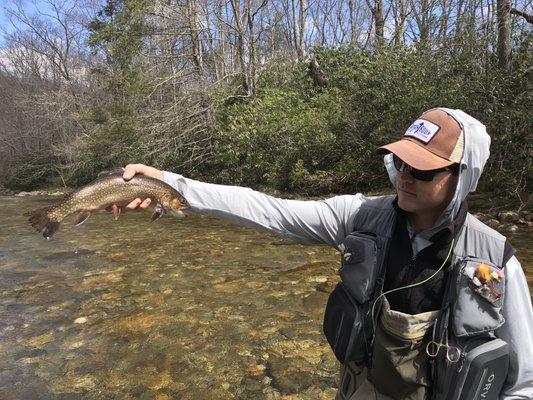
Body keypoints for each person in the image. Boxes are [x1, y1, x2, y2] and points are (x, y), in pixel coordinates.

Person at [113, 108, 533, 399]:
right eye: (401, 163)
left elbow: (523, 384)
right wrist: (170, 185)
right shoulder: (360, 216)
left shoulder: (497, 262)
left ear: (463, 177)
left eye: (423, 169)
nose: (405, 177)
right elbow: (269, 210)